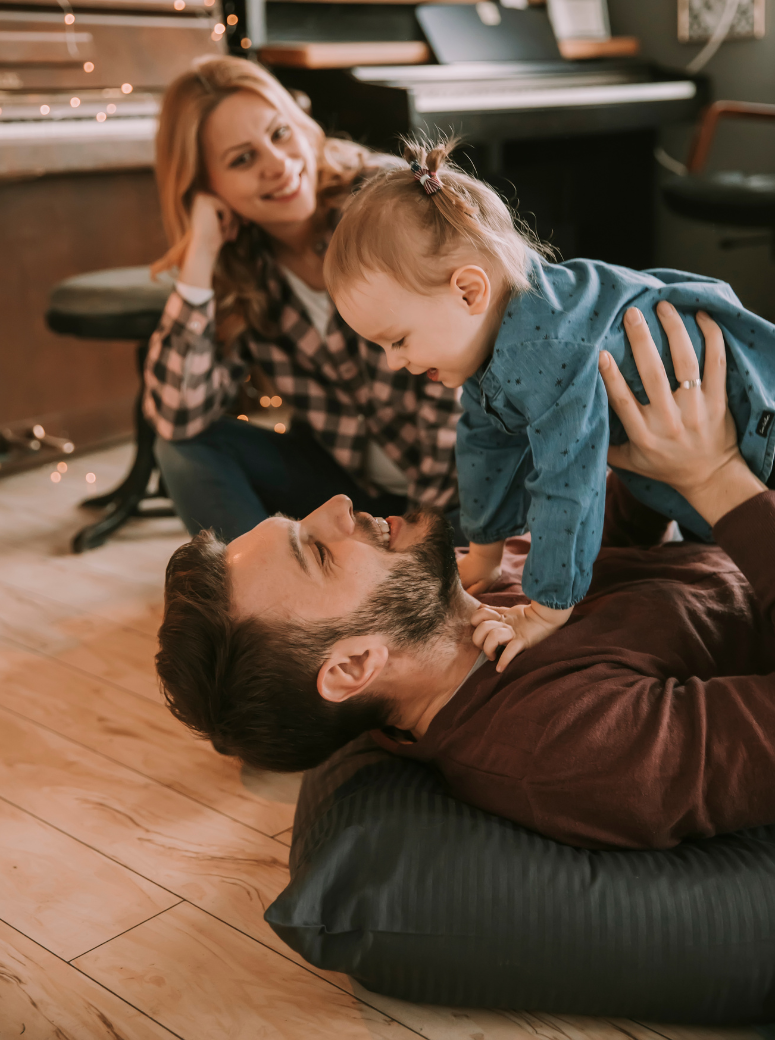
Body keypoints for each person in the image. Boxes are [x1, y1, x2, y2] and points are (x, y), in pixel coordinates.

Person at [156, 304, 775, 850]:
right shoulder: (563, 750)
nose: (338, 507)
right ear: (352, 667)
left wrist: (633, 434)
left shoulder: (462, 602)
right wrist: (713, 476)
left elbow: (607, 553)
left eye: (303, 519)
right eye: (317, 553)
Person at [324, 138, 775, 659]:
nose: (392, 362)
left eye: (397, 339)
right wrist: (486, 554)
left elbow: (569, 485)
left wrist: (546, 606)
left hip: (757, 431)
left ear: (469, 291)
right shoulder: (497, 329)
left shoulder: (543, 348)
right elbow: (484, 441)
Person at [143, 59, 461, 541]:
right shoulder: (237, 263)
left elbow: (452, 389)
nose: (277, 163)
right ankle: (265, 598)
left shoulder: (383, 201)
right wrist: (202, 254)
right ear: (208, 188)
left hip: (461, 494)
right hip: (352, 495)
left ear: (303, 126)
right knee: (183, 448)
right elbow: (177, 416)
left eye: (279, 133)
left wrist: (418, 541)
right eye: (242, 159)